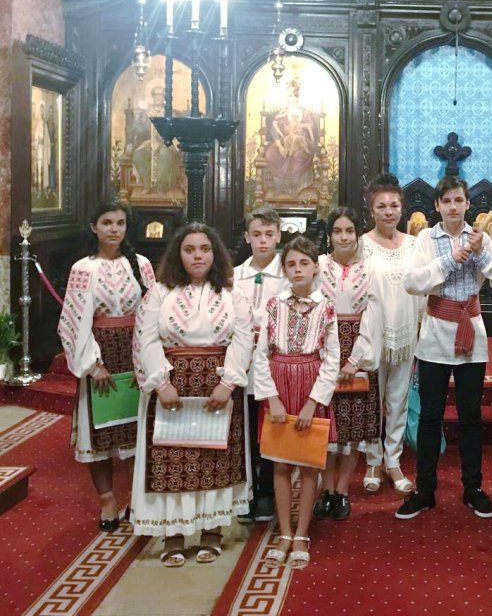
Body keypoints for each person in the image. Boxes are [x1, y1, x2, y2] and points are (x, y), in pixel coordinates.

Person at [131, 223, 254, 567]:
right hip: (172, 388)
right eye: (189, 249)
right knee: (173, 461)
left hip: (217, 387)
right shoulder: (160, 292)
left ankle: (212, 532)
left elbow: (243, 339)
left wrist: (228, 384)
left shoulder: (233, 293)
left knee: (213, 460)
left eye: (204, 249)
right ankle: (173, 534)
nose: (197, 256)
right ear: (178, 254)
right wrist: (160, 383)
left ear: (215, 254)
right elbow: (145, 339)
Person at [396, 176, 492, 520]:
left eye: (458, 200)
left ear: (467, 204)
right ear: (436, 206)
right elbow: (413, 283)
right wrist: (448, 261)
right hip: (434, 337)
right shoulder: (425, 239)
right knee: (431, 417)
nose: (452, 207)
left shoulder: (482, 238)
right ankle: (425, 490)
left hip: (472, 337)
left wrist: (481, 258)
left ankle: (473, 488)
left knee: (470, 417)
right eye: (445, 201)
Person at [57, 202, 155, 532]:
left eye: (120, 223)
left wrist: (150, 358)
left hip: (135, 352)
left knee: (133, 430)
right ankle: (108, 500)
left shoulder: (141, 265)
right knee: (99, 432)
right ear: (93, 227)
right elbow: (71, 321)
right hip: (99, 355)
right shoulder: (83, 268)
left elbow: (152, 311)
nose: (114, 229)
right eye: (107, 223)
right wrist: (92, 364)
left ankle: (135, 499)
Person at [253, 236, 340, 570]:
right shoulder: (274, 305)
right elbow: (261, 355)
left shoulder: (326, 306)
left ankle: (302, 532)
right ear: (284, 269)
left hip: (310, 386)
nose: (298, 269)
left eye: (304, 262)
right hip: (278, 385)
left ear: (315, 266)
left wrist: (313, 402)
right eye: (291, 264)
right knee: (280, 463)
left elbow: (332, 359)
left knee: (308, 464)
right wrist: (271, 399)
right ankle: (284, 532)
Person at [312, 207, 380, 520]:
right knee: (325, 426)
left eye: (349, 231)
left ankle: (341, 491)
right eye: (337, 231)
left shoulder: (369, 268)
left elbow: (373, 314)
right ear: (329, 235)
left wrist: (355, 359)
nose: (343, 237)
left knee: (352, 428)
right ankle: (324, 491)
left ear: (357, 234)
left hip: (358, 346)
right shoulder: (318, 266)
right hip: (324, 345)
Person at [359, 174, 423, 495]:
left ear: (402, 208)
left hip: (406, 335)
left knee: (398, 400)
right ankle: (372, 459)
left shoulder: (414, 245)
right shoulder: (361, 245)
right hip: (373, 337)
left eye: (394, 205)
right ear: (372, 210)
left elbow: (424, 290)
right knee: (372, 401)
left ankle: (393, 460)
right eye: (381, 206)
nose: (388, 211)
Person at [233, 206, 287, 523]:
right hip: (244, 361)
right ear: (247, 237)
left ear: (278, 236)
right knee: (247, 426)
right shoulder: (236, 276)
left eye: (269, 234)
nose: (263, 241)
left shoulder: (287, 273)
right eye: (257, 235)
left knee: (271, 427)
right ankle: (247, 491)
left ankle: (267, 491)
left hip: (274, 362)